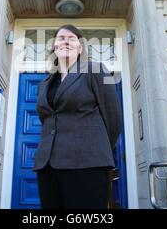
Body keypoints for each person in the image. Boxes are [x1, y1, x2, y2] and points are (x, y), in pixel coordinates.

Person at [33, 24, 122, 209]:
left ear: (80, 47)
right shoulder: (45, 83)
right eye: (61, 38)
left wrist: (98, 148)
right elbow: (47, 121)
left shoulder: (97, 69)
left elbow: (113, 118)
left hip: (87, 163)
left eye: (72, 38)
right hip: (48, 166)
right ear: (54, 47)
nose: (66, 41)